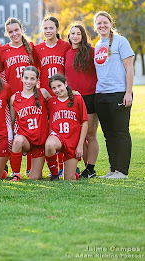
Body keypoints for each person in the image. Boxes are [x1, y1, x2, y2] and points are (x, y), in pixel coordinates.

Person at [93, 11, 134, 179]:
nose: (102, 25)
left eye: (105, 22)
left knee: (120, 132)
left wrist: (128, 92)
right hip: (101, 95)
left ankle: (122, 171)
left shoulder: (121, 41)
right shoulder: (97, 45)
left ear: (111, 23)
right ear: (95, 27)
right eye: (99, 23)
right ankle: (113, 169)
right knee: (108, 134)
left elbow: (129, 68)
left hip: (118, 93)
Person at [34, 15, 71, 176]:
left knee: (63, 129)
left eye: (51, 28)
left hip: (61, 95)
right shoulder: (37, 48)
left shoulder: (66, 46)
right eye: (45, 28)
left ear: (57, 29)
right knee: (45, 130)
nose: (48, 31)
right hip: (45, 95)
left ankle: (65, 165)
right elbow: (34, 71)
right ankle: (50, 168)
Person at [0, 18, 35, 177]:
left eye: (16, 30)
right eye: (10, 31)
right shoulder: (3, 50)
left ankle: (29, 167)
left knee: (32, 130)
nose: (14, 34)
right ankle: (7, 166)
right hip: (11, 98)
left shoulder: (31, 47)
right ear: (7, 33)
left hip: (29, 96)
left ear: (21, 29)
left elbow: (36, 70)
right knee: (10, 131)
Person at [65, 22, 99, 178]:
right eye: (72, 33)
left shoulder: (91, 52)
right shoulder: (66, 53)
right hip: (73, 99)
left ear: (83, 36)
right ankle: (86, 168)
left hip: (90, 96)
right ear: (69, 36)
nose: (75, 36)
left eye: (78, 33)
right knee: (79, 136)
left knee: (90, 135)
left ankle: (91, 168)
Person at [9, 66, 54, 181]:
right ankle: (16, 174)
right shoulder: (15, 98)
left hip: (40, 141)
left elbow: (56, 106)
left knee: (34, 178)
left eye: (32, 79)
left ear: (37, 81)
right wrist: (11, 140)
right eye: (26, 78)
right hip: (26, 140)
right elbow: (12, 121)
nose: (29, 81)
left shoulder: (43, 93)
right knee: (18, 140)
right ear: (22, 78)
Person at [45, 74, 88, 181]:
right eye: (53, 88)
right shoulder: (51, 102)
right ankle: (54, 175)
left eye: (59, 86)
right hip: (57, 137)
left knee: (69, 179)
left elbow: (85, 123)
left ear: (65, 84)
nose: (57, 90)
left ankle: (73, 174)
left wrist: (80, 145)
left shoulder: (77, 99)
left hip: (73, 141)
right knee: (49, 145)